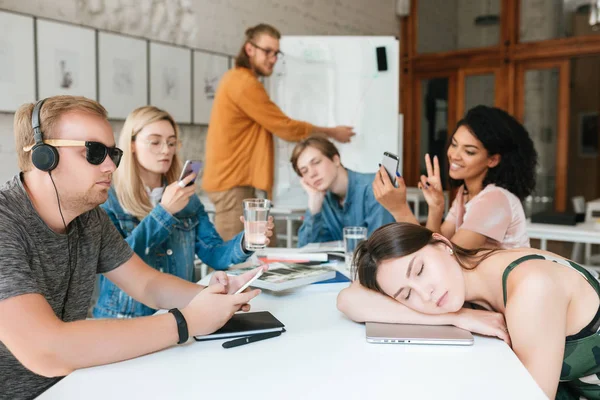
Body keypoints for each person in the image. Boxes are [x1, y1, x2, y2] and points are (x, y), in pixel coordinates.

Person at [0, 96, 264, 399]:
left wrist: (213, 297)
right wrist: (188, 321)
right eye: (94, 152)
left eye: (113, 153)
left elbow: (147, 283)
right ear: (43, 156)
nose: (110, 165)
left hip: (75, 384)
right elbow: (45, 350)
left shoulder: (89, 218)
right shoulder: (5, 222)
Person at [340, 222, 600, 399]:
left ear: (442, 244)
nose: (424, 293)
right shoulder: (472, 276)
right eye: (406, 295)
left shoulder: (531, 287)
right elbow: (348, 299)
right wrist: (462, 316)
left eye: (419, 270)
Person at [93, 106, 274, 319]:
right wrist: (165, 212)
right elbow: (117, 263)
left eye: (171, 143)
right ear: (131, 144)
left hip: (180, 314)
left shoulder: (188, 199)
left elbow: (214, 253)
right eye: (155, 141)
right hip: (123, 318)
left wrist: (246, 241)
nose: (166, 150)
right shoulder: (108, 198)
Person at [202, 23, 356, 241]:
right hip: (232, 186)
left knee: (262, 254)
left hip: (239, 185)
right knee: (237, 263)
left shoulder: (239, 80)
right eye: (267, 51)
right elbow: (285, 127)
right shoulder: (243, 83)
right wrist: (331, 132)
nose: (273, 58)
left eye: (276, 53)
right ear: (249, 49)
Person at [373, 105, 537, 250]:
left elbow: (443, 260)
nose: (454, 155)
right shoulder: (464, 193)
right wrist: (436, 209)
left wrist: (399, 209)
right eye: (454, 144)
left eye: (469, 151)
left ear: (492, 160)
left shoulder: (494, 199)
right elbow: (435, 242)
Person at [291, 136, 395, 247]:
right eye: (304, 171)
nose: (312, 174)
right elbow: (305, 251)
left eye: (316, 162)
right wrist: (313, 211)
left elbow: (380, 247)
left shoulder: (374, 187)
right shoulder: (322, 200)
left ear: (336, 160)